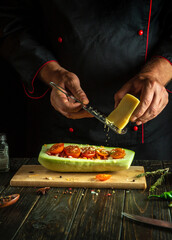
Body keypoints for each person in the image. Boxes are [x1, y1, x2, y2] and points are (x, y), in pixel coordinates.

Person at [0, 0, 172, 160]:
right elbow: (10, 22)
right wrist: (52, 72)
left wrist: (156, 75)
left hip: (147, 131)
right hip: (58, 122)